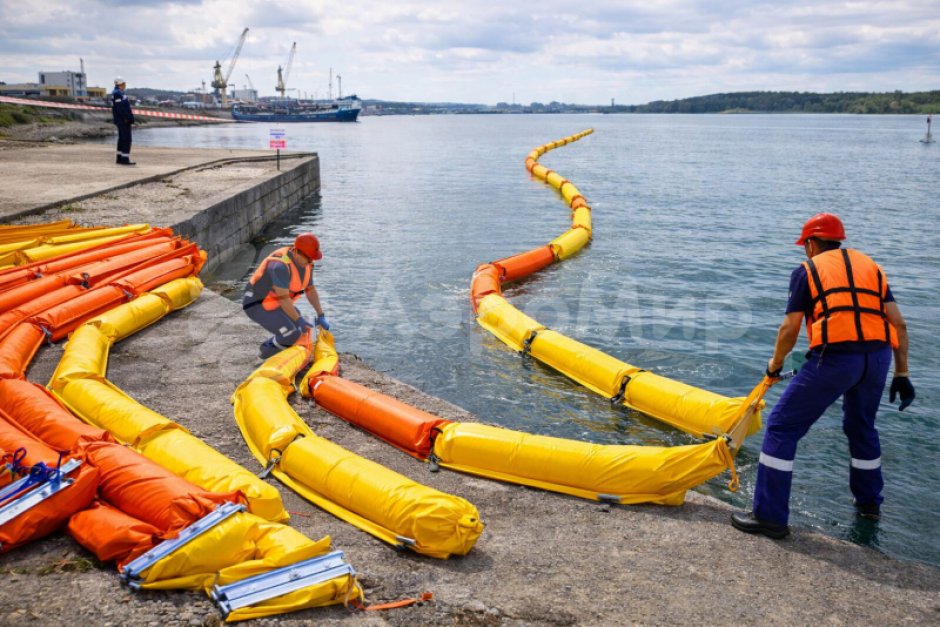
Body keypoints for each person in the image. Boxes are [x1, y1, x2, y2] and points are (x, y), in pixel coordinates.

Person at [731, 212, 914, 539]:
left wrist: (774, 365)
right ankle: (869, 504)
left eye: (805, 245)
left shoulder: (807, 271)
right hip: (878, 358)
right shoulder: (872, 267)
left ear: (812, 244)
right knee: (861, 427)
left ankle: (769, 517)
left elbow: (790, 328)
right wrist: (902, 373)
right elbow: (898, 324)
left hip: (836, 359)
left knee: (781, 426)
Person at [243, 233, 329, 358]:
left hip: (275, 303)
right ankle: (265, 352)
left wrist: (320, 315)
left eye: (312, 259)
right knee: (291, 334)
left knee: (302, 330)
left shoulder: (307, 263)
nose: (311, 261)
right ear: (297, 252)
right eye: (309, 258)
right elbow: (284, 300)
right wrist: (298, 320)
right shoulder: (280, 267)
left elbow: (310, 290)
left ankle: (283, 350)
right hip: (256, 304)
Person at [111, 77, 135, 165]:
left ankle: (120, 158)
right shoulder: (117, 93)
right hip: (122, 120)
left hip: (122, 119)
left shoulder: (119, 92)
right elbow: (120, 108)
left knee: (122, 139)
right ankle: (124, 159)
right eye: (124, 84)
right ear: (120, 84)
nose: (125, 85)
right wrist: (127, 118)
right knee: (126, 139)